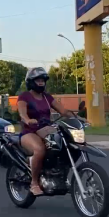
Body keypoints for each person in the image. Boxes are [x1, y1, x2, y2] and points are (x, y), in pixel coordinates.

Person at [17, 67, 81, 196]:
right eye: (37, 80)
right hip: (29, 132)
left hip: (46, 129)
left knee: (69, 146)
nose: (41, 82)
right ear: (31, 81)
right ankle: (34, 183)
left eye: (42, 80)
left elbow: (63, 111)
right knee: (40, 149)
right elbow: (22, 112)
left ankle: (59, 174)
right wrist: (28, 119)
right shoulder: (25, 96)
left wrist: (79, 118)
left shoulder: (47, 97)